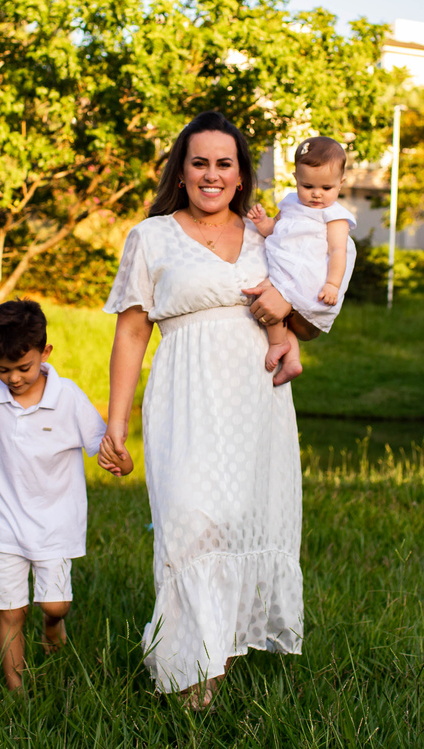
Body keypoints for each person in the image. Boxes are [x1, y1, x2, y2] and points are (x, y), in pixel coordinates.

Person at [97, 110, 310, 708]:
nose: (211, 174)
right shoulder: (152, 236)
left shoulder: (268, 238)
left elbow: (307, 312)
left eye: (224, 164)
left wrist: (289, 319)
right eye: (199, 163)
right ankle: (189, 674)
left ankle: (215, 665)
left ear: (241, 175)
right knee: (191, 526)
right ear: (181, 172)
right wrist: (117, 424)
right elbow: (131, 332)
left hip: (257, 402)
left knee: (243, 525)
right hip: (185, 399)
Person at [0, 299, 126, 690]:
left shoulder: (68, 397)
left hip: (54, 523)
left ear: (45, 353)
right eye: (3, 369)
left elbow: (103, 445)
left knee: (55, 604)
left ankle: (52, 624)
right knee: (10, 612)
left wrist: (120, 462)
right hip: (2, 523)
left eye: (23, 368)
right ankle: (17, 691)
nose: (13, 378)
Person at [246, 136, 358, 385]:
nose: (317, 194)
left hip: (307, 276)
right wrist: (261, 221)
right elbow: (273, 229)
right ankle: (292, 361)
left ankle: (278, 345)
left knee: (270, 297)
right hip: (285, 266)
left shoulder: (335, 216)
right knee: (266, 296)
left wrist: (332, 284)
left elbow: (338, 251)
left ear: (341, 183)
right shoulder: (289, 204)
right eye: (307, 186)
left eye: (327, 188)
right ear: (296, 178)